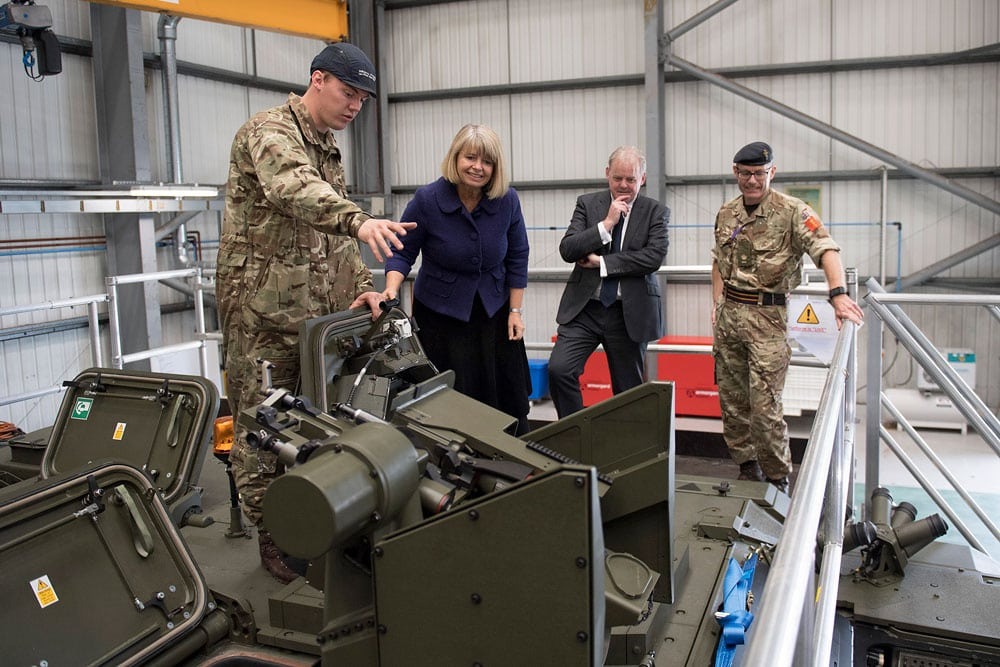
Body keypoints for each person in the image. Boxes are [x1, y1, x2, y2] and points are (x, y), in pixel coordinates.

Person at [215, 42, 415, 583]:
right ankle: (271, 535)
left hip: (313, 317)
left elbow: (338, 246)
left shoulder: (328, 148)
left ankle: (312, 514)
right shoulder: (269, 131)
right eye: (349, 92)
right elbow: (293, 189)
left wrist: (367, 288)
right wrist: (358, 219)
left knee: (312, 422)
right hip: (260, 314)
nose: (355, 106)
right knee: (262, 427)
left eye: (363, 99)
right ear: (318, 79)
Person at [711, 141, 864, 492]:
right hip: (729, 318)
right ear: (736, 173)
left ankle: (778, 478)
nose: (753, 181)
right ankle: (748, 470)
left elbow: (826, 250)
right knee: (733, 403)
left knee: (765, 407)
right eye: (746, 173)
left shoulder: (793, 211)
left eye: (760, 174)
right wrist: (715, 303)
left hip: (768, 319)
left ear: (772, 173)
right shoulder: (726, 213)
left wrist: (838, 295)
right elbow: (718, 261)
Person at [382, 124, 531, 434]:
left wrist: (515, 311)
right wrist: (390, 290)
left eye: (486, 162)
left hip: (493, 313)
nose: (478, 167)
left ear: (495, 167)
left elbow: (518, 255)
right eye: (471, 158)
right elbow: (402, 251)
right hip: (440, 316)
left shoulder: (507, 200)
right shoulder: (427, 199)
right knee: (450, 395)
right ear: (456, 158)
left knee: (504, 393)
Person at [547, 146, 670, 418]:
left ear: (643, 178)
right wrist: (606, 224)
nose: (624, 185)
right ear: (607, 175)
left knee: (627, 392)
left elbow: (653, 257)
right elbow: (568, 249)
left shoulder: (656, 212)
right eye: (618, 178)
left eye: (631, 179)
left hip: (627, 313)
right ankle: (575, 435)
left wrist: (601, 263)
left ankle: (628, 451)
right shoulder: (588, 204)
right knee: (559, 369)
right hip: (584, 310)